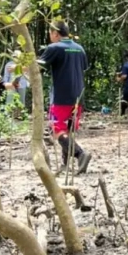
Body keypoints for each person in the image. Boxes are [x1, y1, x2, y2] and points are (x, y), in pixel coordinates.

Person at [38, 21, 91, 174]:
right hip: (78, 96)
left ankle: (81, 154)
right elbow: (84, 67)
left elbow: (39, 67)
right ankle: (65, 163)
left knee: (57, 129)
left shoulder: (54, 48)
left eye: (50, 34)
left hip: (61, 96)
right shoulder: (79, 48)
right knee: (67, 131)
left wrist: (19, 67)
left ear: (55, 33)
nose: (50, 37)